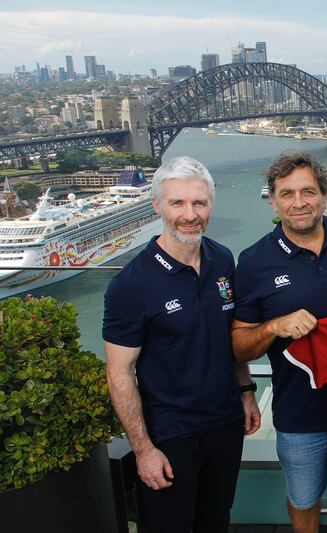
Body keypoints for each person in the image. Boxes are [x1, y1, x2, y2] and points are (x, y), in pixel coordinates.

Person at [104, 156, 261, 533]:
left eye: (199, 203)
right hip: (170, 434)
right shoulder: (131, 285)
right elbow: (119, 373)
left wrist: (245, 391)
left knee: (216, 521)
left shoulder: (222, 259)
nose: (190, 215)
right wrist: (143, 449)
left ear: (210, 205)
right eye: (177, 203)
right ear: (157, 205)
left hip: (225, 425)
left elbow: (230, 336)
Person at [230, 151, 327, 533]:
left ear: (325, 196)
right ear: (273, 200)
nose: (299, 202)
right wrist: (273, 327)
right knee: (304, 498)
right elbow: (239, 345)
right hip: (299, 409)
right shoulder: (254, 261)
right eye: (287, 193)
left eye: (308, 191)